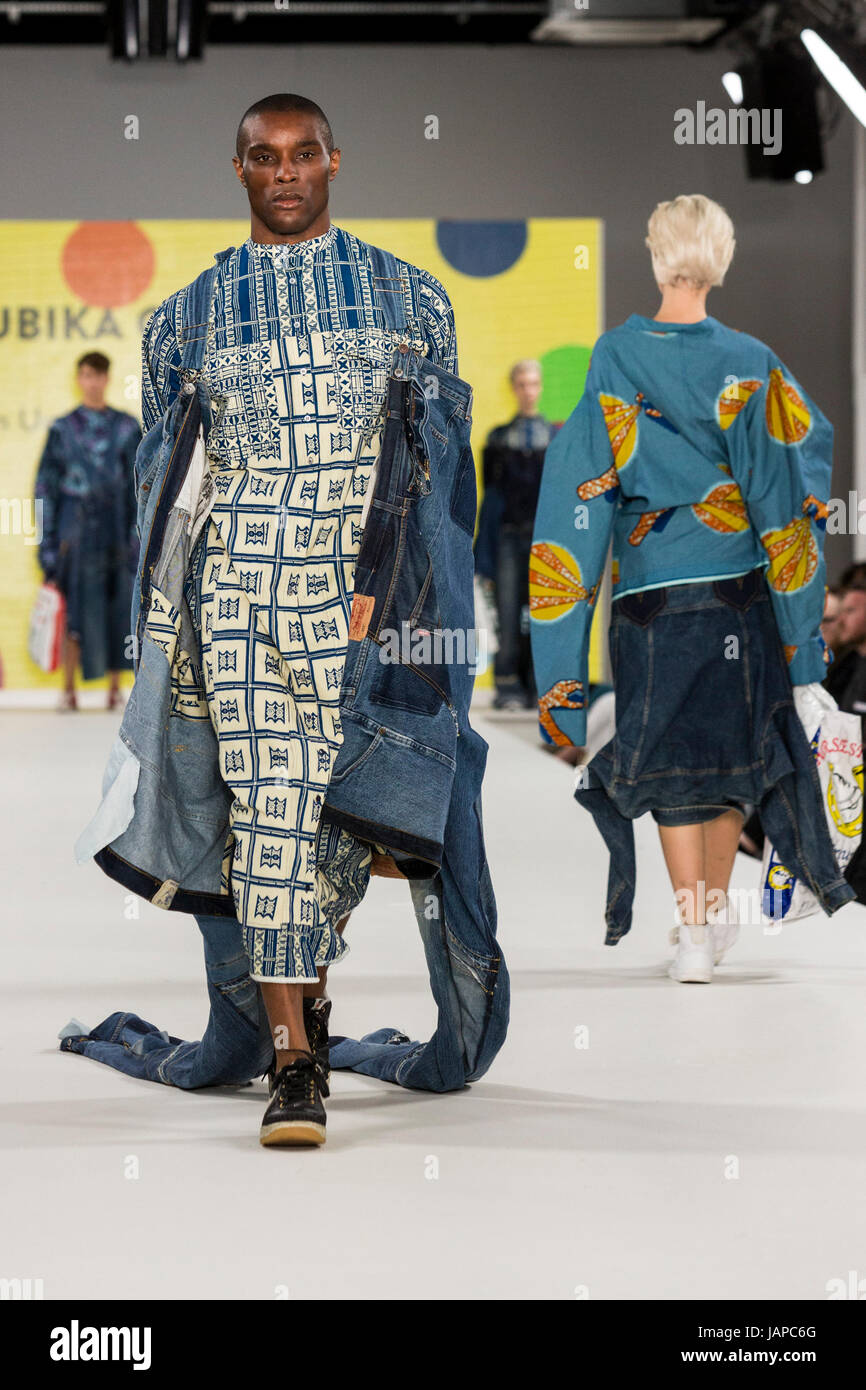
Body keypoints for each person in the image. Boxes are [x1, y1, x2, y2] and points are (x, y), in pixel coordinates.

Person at [134, 93, 466, 1145]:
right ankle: (291, 1064)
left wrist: (434, 628)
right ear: (237, 170)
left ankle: (307, 1001)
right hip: (239, 604)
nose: (284, 172)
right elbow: (169, 484)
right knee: (267, 821)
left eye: (302, 154)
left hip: (362, 615)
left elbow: (439, 479)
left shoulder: (410, 299)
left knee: (337, 834)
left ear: (335, 159)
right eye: (263, 157)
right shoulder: (183, 318)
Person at [530, 193, 854, 983]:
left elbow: (580, 488)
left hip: (650, 589)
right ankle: (706, 925)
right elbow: (787, 491)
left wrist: (559, 665)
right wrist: (803, 645)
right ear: (723, 257)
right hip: (739, 584)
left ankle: (694, 932)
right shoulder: (751, 358)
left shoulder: (615, 354)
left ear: (653, 254)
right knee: (732, 755)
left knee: (674, 755)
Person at [33, 352, 139, 709]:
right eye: (86, 375)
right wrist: (46, 544)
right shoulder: (62, 430)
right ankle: (68, 690)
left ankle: (114, 689)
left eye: (98, 375)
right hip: (74, 535)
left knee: (118, 609)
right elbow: (44, 489)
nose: (92, 381)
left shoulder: (126, 428)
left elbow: (139, 487)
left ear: (107, 379)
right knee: (74, 612)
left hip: (116, 532)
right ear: (79, 378)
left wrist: (137, 537)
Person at [474, 360, 559, 709]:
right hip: (508, 537)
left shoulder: (556, 437)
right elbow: (490, 496)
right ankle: (507, 685)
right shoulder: (498, 439)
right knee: (508, 611)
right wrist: (483, 551)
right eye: (522, 384)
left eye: (534, 383)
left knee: (542, 612)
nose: (528, 390)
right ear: (513, 387)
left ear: (540, 387)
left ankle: (538, 685)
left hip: (546, 538)